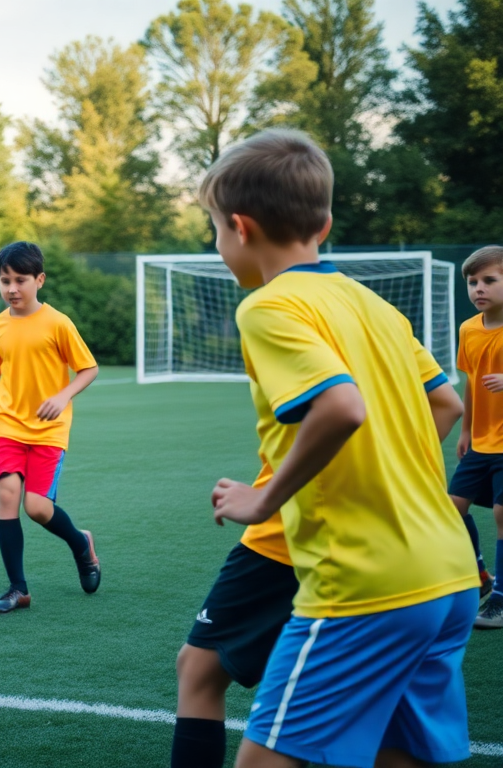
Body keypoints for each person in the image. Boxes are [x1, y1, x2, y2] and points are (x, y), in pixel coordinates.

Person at [206, 129, 475, 768]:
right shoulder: (376, 306)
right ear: (323, 224)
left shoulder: (268, 307)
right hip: (448, 573)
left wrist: (264, 497)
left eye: (212, 229)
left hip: (364, 585)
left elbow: (341, 406)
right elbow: (448, 404)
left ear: (239, 228)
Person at [0, 241, 102, 614]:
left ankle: (81, 545)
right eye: (5, 280)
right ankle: (18, 589)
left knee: (38, 508)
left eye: (20, 280)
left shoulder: (58, 323)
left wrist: (63, 396)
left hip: (49, 430)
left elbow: (88, 368)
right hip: (7, 424)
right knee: (8, 496)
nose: (12, 288)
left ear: (39, 280)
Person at [171, 459, 299, 768]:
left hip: (294, 535)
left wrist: (265, 499)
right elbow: (440, 407)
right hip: (414, 528)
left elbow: (339, 413)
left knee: (201, 668)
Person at [447, 244, 503, 629]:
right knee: (451, 509)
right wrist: (466, 429)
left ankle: (500, 601)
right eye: (472, 282)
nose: (478, 288)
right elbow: (469, 381)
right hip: (481, 440)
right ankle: (482, 576)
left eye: (489, 280)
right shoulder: (468, 328)